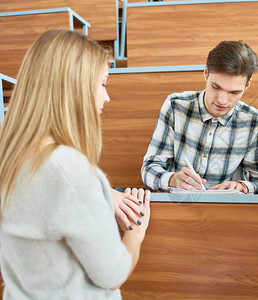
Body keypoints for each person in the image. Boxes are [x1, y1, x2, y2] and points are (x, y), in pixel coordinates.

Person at [0, 29, 150, 298]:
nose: (107, 97)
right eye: (103, 84)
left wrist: (101, 196)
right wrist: (135, 233)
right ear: (76, 86)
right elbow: (112, 275)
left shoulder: (10, 155)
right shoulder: (70, 170)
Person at [141, 41, 258, 194]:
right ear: (205, 73)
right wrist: (173, 179)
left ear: (247, 85)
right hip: (177, 208)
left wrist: (243, 186)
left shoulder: (254, 122)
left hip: (227, 211)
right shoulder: (175, 105)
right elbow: (149, 168)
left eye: (234, 92)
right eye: (216, 87)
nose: (222, 100)